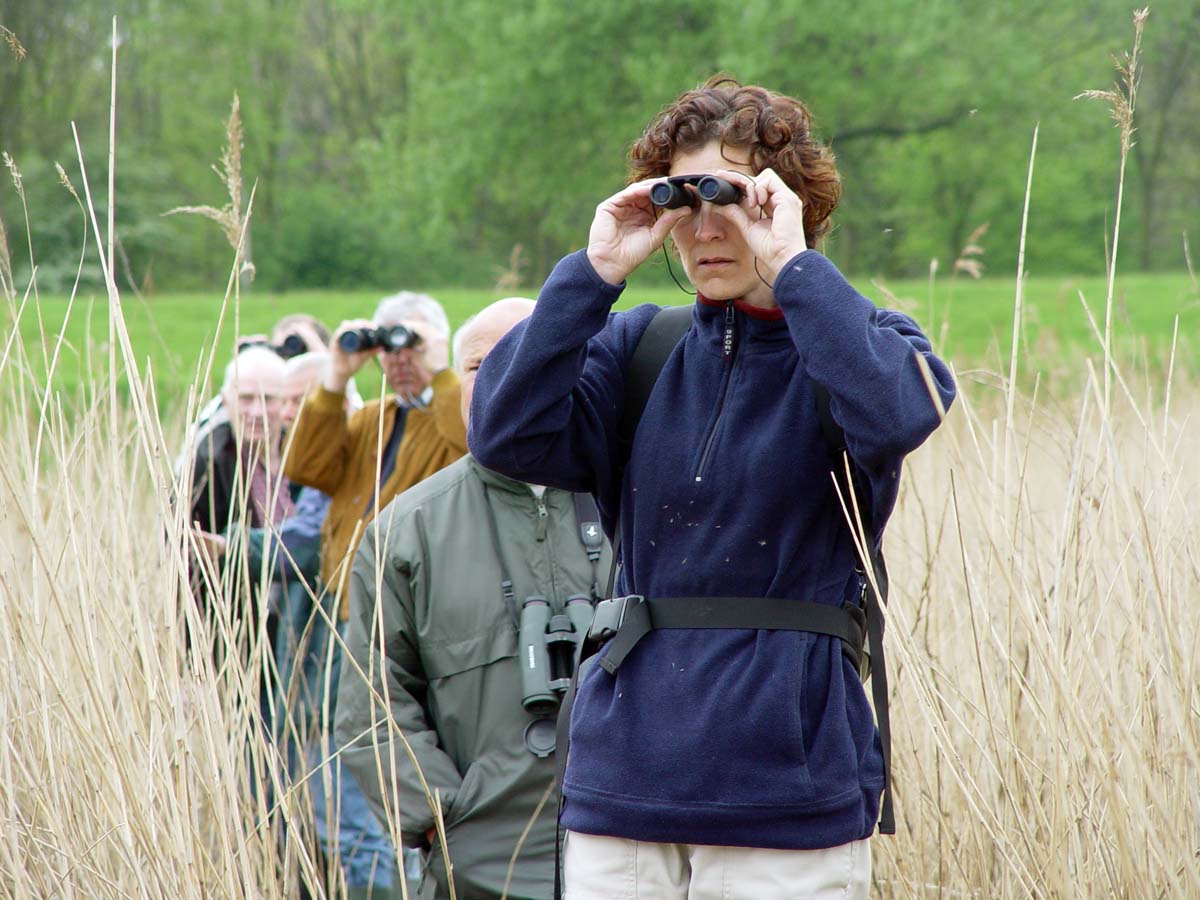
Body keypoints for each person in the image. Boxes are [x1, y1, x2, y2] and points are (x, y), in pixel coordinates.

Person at [467, 77, 957, 899]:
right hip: (625, 787)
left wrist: (793, 268)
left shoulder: (863, 345)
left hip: (787, 793)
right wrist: (591, 273)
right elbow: (504, 434)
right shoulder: (639, 351)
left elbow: (900, 411)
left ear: (787, 205)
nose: (701, 227)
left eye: (729, 198)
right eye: (681, 202)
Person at [335, 298, 612, 900]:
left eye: (526, 356)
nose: (501, 378)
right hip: (481, 867)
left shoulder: (636, 503)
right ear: (454, 382)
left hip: (632, 856)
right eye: (479, 364)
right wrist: (444, 817)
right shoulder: (406, 531)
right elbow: (371, 706)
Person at [284, 292, 468, 897]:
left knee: (398, 765)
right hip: (348, 617)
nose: (397, 359)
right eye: (387, 347)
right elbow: (307, 465)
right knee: (356, 765)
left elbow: (469, 441)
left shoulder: (454, 411)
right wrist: (337, 374)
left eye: (410, 345)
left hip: (415, 623)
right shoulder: (371, 421)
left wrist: (439, 368)